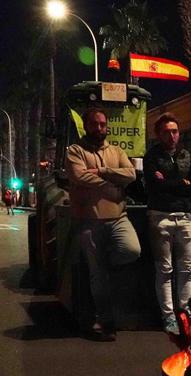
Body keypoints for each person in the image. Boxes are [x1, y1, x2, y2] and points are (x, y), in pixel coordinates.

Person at [67, 107, 142, 341]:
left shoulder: (116, 150)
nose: (99, 128)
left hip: (118, 217)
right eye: (94, 124)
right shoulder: (75, 151)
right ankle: (105, 320)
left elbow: (130, 174)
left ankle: (103, 262)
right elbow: (79, 176)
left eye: (102, 124)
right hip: (89, 221)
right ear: (86, 125)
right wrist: (111, 184)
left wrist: (101, 171)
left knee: (132, 250)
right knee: (97, 276)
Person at [144, 113, 191, 335]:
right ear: (159, 134)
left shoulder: (187, 155)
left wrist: (167, 182)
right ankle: (168, 317)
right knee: (164, 270)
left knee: (186, 270)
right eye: (166, 132)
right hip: (160, 217)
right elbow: (153, 186)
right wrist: (180, 184)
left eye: (175, 131)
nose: (172, 136)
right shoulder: (151, 157)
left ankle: (185, 315)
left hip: (185, 218)